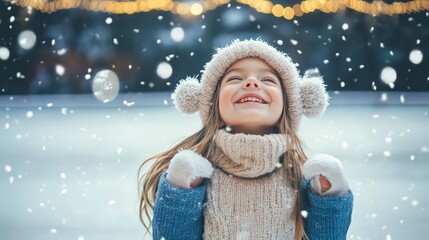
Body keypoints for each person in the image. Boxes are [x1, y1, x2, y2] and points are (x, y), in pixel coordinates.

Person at [138, 39, 353, 240]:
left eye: (267, 79)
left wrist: (330, 199)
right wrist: (180, 189)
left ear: (289, 107)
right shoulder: (198, 173)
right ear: (213, 106)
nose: (251, 82)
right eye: (235, 78)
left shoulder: (300, 175)